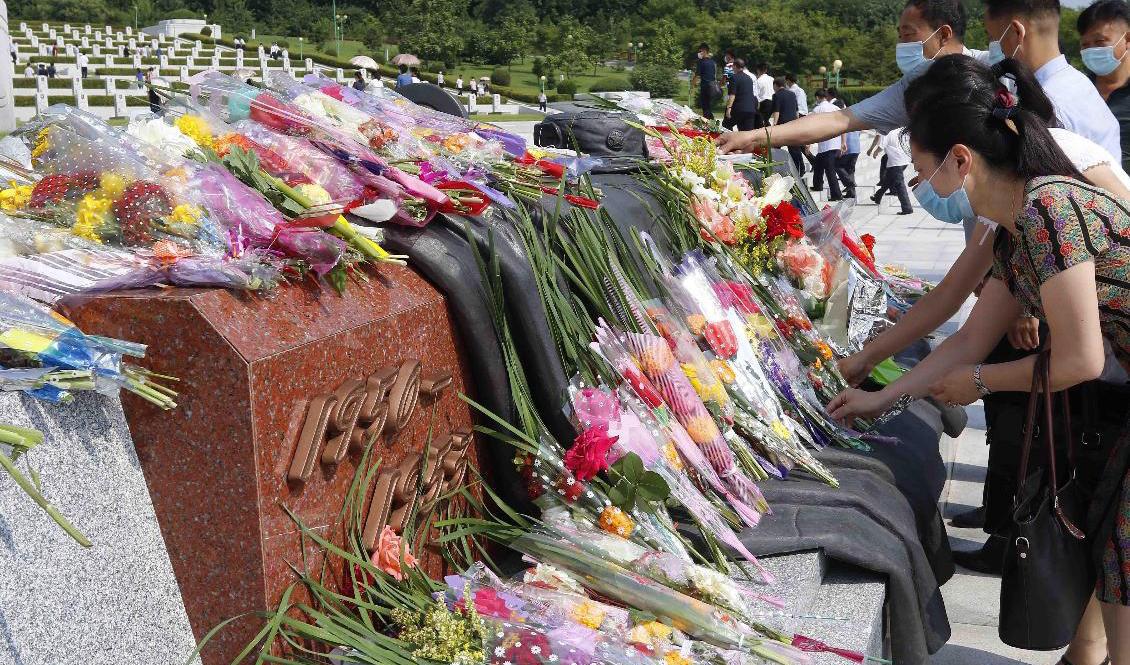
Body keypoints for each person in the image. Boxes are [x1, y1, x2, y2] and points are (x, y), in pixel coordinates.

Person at [828, 53, 1130, 665]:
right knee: (1116, 561)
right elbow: (966, 338)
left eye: (922, 169)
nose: (920, 184)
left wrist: (981, 381)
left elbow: (1078, 360)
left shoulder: (1047, 210)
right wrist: (884, 396)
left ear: (960, 159)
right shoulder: (1012, 224)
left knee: (1122, 561)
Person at [717, 0, 979, 155]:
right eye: (900, 36)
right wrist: (751, 136)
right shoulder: (914, 86)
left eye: (909, 35)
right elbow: (838, 120)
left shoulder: (992, 70)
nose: (901, 45)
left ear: (944, 35)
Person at [984, 0, 1121, 162]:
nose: (993, 48)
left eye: (994, 38)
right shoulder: (1079, 83)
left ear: (1017, 32)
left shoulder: (1046, 106)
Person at [1079, 0, 1130, 173]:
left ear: (1127, 40)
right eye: (1085, 45)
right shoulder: (1077, 90)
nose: (1091, 51)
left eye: (1100, 42)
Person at [871, 129, 915, 213]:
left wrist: (875, 152)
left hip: (896, 161)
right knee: (888, 180)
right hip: (904, 160)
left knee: (899, 185)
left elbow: (881, 146)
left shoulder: (886, 131)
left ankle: (907, 208)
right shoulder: (900, 130)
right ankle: (877, 197)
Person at [810, 90, 843, 200]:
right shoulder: (836, 108)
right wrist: (843, 142)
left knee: (830, 170)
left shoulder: (817, 109)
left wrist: (808, 143)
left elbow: (810, 127)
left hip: (825, 144)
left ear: (817, 97)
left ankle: (836, 195)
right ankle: (817, 185)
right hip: (835, 142)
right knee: (818, 163)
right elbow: (843, 126)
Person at [770, 77, 805, 174]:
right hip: (792, 124)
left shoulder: (776, 95)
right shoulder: (792, 94)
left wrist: (774, 124)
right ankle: (800, 170)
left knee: (775, 148)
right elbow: (796, 110)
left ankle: (775, 169)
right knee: (795, 150)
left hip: (782, 125)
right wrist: (797, 122)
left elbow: (776, 111)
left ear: (776, 85)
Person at [725, 58, 758, 131]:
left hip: (739, 109)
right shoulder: (749, 78)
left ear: (735, 66)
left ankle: (730, 138)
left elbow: (732, 95)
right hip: (751, 109)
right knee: (747, 132)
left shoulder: (734, 78)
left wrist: (729, 108)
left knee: (726, 125)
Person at [691, 43, 719, 120]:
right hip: (713, 87)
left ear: (704, 51)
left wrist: (692, 84)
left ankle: (707, 123)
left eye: (700, 51)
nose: (699, 53)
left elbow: (697, 75)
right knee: (708, 107)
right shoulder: (712, 62)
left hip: (705, 87)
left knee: (705, 107)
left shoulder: (701, 62)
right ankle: (712, 122)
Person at [837, 128, 863, 198]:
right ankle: (851, 193)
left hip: (848, 147)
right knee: (850, 171)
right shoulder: (857, 123)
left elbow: (842, 131)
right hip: (856, 147)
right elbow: (859, 133)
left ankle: (850, 183)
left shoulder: (845, 123)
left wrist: (842, 145)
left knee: (837, 165)